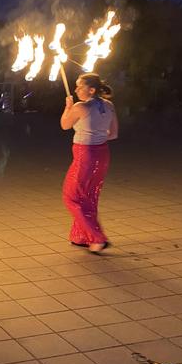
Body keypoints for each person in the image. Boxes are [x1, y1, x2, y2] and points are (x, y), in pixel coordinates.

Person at [60, 73, 118, 254]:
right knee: (89, 197)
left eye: (79, 86)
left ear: (91, 90)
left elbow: (65, 125)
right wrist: (97, 135)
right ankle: (81, 236)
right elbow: (113, 134)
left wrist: (68, 108)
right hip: (102, 154)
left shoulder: (80, 107)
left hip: (85, 155)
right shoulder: (109, 105)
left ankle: (98, 238)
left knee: (72, 197)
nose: (76, 89)